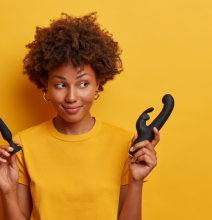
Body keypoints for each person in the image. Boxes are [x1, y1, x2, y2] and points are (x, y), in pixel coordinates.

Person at [0, 12, 159, 220]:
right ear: (45, 86)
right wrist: (6, 192)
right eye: (60, 85)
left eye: (83, 83)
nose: (72, 97)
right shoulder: (23, 145)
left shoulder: (125, 144)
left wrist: (136, 182)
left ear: (98, 84)